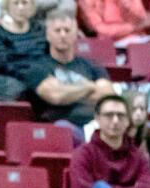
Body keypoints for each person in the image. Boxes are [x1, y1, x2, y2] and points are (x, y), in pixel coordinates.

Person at [23, 7, 116, 144]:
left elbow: (107, 94)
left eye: (67, 30)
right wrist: (89, 86)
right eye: (57, 30)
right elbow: (56, 96)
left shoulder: (91, 66)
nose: (62, 35)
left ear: (76, 34)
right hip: (58, 129)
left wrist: (68, 92)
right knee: (64, 128)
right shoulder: (38, 67)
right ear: (48, 35)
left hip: (94, 125)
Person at [69, 93, 150, 188]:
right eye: (109, 115)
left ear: (128, 121)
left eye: (121, 116)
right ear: (97, 118)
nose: (115, 121)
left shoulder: (140, 157)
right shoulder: (82, 154)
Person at [0, 0, 48, 102]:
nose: (20, 7)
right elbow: (2, 64)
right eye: (16, 3)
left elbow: (46, 59)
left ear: (32, 6)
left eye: (24, 3)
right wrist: (29, 77)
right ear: (8, 6)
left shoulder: (41, 30)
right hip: (10, 82)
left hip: (40, 81)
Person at [77, 0, 150, 41]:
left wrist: (125, 3)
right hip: (108, 44)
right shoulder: (87, 1)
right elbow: (100, 29)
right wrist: (132, 28)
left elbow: (141, 18)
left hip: (136, 39)